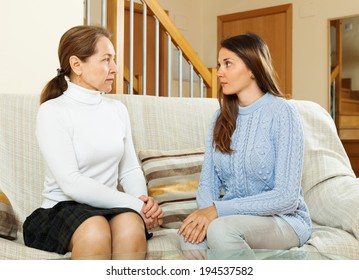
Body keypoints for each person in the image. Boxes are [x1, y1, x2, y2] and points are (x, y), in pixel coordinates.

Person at [23, 25, 163, 260]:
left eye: (114, 60)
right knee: (95, 229)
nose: (115, 69)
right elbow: (72, 183)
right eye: (106, 60)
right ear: (76, 64)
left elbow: (129, 169)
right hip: (62, 208)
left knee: (131, 226)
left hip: (108, 205)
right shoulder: (53, 111)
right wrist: (132, 204)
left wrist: (142, 206)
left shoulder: (117, 110)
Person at [178, 33, 312, 256]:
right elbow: (207, 185)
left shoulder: (283, 113)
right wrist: (204, 215)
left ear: (252, 68)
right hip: (231, 219)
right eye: (219, 64)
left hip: (284, 221)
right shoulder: (219, 118)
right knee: (188, 237)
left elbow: (286, 198)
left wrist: (218, 211)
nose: (219, 72)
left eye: (228, 64)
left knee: (221, 232)